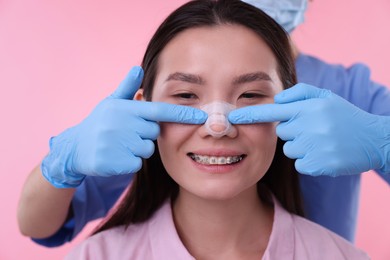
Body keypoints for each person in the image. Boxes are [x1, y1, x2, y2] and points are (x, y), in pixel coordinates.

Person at [17, 0, 389, 247]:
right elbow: (38, 224)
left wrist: (381, 143)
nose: (218, 125)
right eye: (186, 96)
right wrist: (62, 162)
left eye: (251, 94)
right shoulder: (162, 99)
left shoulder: (349, 90)